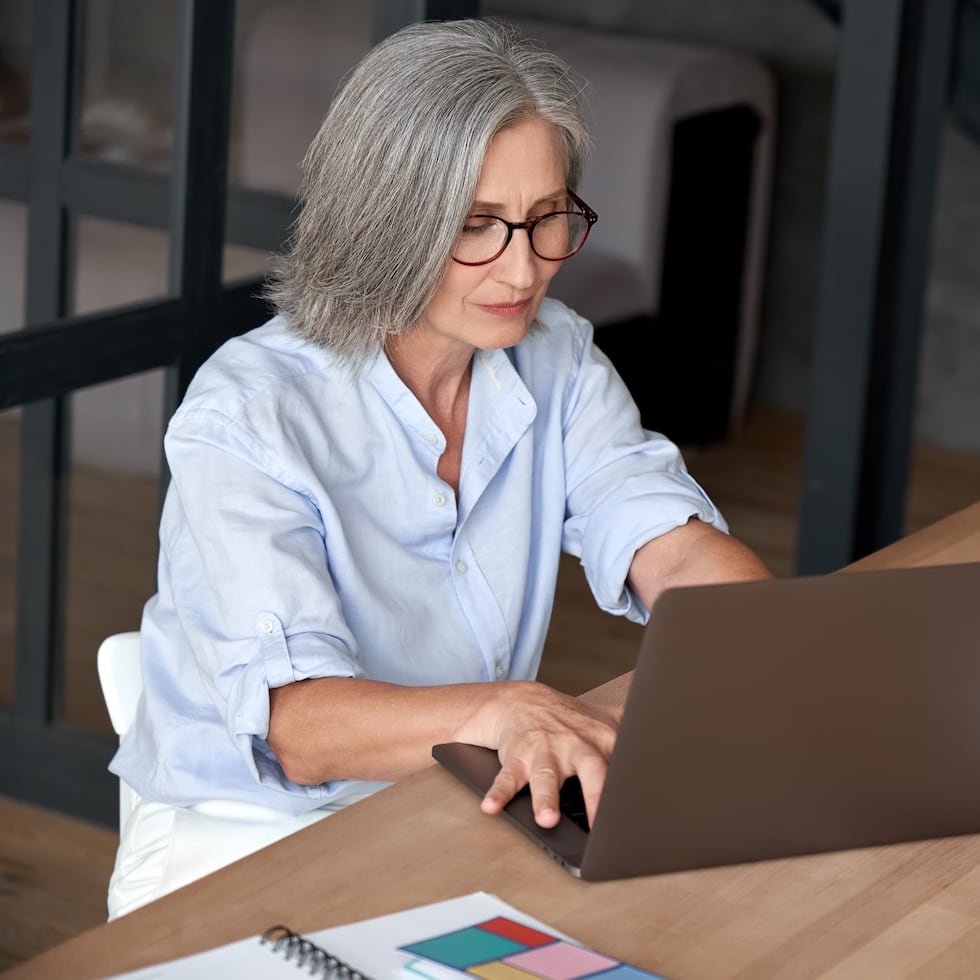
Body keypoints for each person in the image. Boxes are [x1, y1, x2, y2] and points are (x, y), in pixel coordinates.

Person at [107, 17, 771, 918]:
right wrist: (508, 710)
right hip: (250, 832)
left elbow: (670, 543)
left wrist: (765, 652)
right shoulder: (250, 414)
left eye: (548, 220)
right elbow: (301, 731)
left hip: (455, 799)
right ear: (387, 223)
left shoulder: (557, 358)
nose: (526, 267)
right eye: (478, 227)